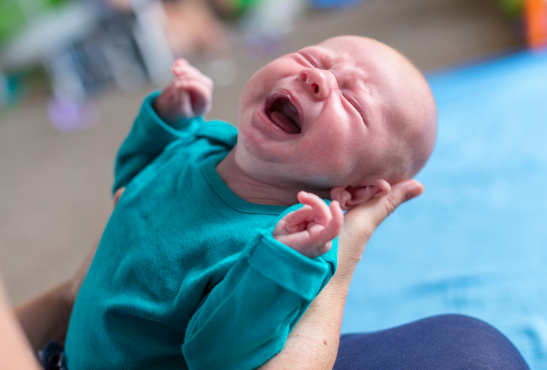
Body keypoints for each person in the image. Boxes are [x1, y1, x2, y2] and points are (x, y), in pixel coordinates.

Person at [58, 35, 526, 370]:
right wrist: (168, 120)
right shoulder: (202, 142)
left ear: (358, 191)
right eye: (311, 57)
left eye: (353, 104)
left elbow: (217, 357)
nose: (317, 77)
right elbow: (132, 186)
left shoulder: (288, 251)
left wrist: (279, 265)